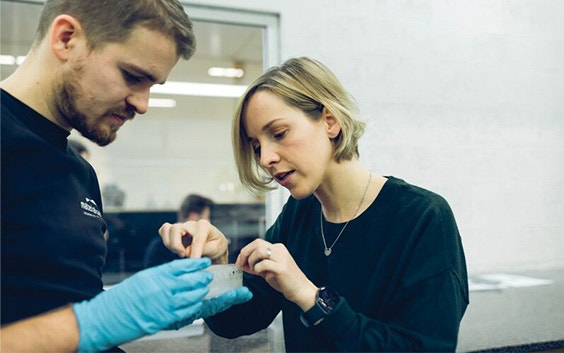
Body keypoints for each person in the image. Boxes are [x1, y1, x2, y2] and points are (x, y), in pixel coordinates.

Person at [160, 57, 469, 351]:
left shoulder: (423, 218)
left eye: (279, 134)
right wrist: (217, 263)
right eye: (256, 147)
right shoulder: (298, 215)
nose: (266, 158)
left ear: (330, 121)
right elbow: (237, 321)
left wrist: (310, 296)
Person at [0, 1, 251, 352]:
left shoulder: (80, 172)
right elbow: (86, 323)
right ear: (66, 38)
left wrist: (147, 309)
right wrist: (97, 321)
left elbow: (61, 300)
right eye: (133, 76)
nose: (143, 104)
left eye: (153, 85)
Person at [144, 194, 215, 268]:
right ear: (193, 216)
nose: (209, 222)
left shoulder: (156, 246)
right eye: (207, 217)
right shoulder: (159, 248)